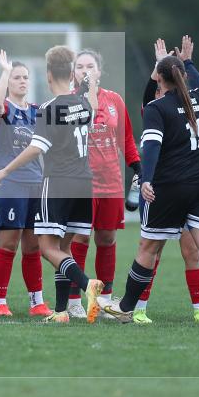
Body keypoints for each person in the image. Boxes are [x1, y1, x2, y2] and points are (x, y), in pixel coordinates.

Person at [104, 42, 199, 327]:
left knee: (148, 248)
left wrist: (147, 179)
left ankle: (126, 307)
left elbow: (151, 147)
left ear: (158, 78)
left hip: (172, 188)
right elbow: (197, 81)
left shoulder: (157, 107)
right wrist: (187, 61)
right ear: (184, 76)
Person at [0, 45, 104, 324]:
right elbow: (94, 104)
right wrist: (88, 83)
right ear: (71, 73)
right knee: (63, 250)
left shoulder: (48, 108)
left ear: (47, 74)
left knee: (47, 248)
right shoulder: (83, 105)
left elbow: (36, 148)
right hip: (83, 183)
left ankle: (88, 285)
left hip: (58, 183)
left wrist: (5, 170)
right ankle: (61, 311)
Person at [124, 38, 199, 325]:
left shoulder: (187, 104)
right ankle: (139, 308)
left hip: (187, 187)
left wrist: (182, 63)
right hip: (159, 189)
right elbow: (150, 91)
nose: (160, 89)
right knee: (153, 249)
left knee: (192, 250)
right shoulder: (154, 108)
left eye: (162, 83)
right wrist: (161, 64)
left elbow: (198, 89)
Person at [65, 49, 142, 319]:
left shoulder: (114, 100)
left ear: (99, 71)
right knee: (80, 237)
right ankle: (74, 300)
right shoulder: (67, 102)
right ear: (73, 72)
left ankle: (105, 300)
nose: (85, 70)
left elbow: (127, 140)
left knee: (107, 239)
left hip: (111, 182)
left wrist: (138, 168)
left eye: (90, 66)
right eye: (80, 66)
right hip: (80, 183)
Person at [0, 50, 50, 317]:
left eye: (25, 77)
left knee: (33, 246)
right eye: (17, 77)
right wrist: (3, 72)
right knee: (8, 244)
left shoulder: (38, 112)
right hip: (10, 185)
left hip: (36, 185)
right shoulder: (5, 110)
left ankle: (37, 301)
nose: (22, 81)